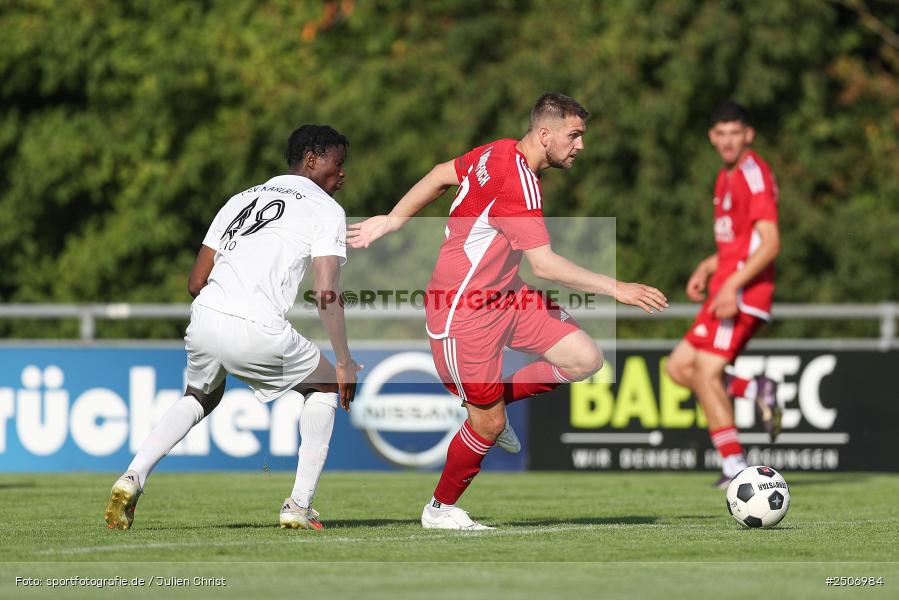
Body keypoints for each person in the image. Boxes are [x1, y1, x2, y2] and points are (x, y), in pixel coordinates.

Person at [348, 92, 668, 529]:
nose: (580, 146)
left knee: (585, 358)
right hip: (464, 311)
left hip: (507, 296)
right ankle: (439, 509)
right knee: (489, 424)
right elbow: (545, 264)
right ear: (544, 133)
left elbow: (442, 174)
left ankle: (489, 406)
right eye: (574, 136)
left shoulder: (498, 150)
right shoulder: (516, 180)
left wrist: (393, 219)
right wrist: (618, 288)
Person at [104, 125, 361, 530]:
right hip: (257, 324)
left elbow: (194, 283)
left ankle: (132, 476)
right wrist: (344, 360)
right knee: (326, 386)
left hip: (205, 316)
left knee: (199, 396)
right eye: (339, 162)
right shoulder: (326, 209)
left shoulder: (241, 198)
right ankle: (298, 505)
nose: (343, 173)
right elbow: (326, 291)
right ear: (312, 160)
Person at [664, 101, 782, 489]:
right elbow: (740, 242)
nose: (729, 140)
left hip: (743, 294)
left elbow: (770, 244)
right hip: (724, 288)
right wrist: (709, 265)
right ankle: (758, 389)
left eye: (736, 132)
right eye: (721, 133)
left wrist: (732, 284)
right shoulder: (725, 176)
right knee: (679, 368)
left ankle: (735, 465)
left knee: (706, 372)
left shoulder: (753, 175)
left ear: (748, 135)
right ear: (713, 137)